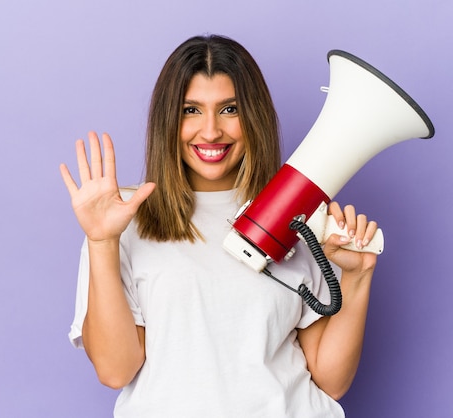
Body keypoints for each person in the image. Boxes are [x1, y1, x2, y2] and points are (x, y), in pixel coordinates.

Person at [60, 34, 378, 417]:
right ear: (167, 121)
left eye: (230, 109)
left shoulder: (296, 215)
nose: (211, 131)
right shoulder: (123, 219)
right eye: (191, 110)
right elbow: (115, 370)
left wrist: (357, 279)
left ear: (253, 116)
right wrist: (102, 241)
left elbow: (331, 381)